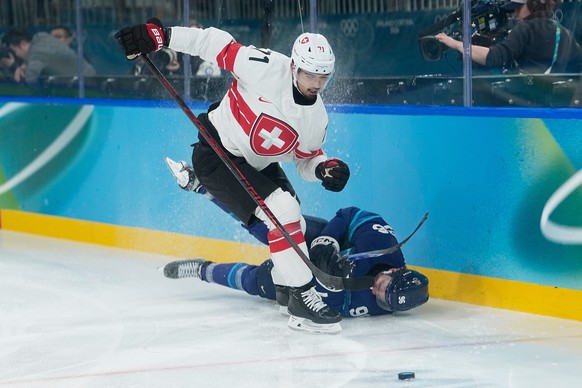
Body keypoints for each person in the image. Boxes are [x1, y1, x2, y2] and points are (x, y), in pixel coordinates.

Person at [115, 18, 350, 333]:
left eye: (323, 77)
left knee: (295, 223)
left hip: (256, 163)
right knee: (283, 210)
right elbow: (212, 43)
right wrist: (163, 36)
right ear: (294, 67)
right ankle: (302, 298)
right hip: (215, 152)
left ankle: (284, 286)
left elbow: (306, 161)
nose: (316, 84)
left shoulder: (316, 118)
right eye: (310, 75)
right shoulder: (265, 66)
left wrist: (324, 169)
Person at [161, 160, 428, 328]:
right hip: (318, 239)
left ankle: (200, 269)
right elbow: (350, 214)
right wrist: (328, 241)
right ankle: (203, 187)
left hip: (305, 283)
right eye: (382, 287)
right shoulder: (382, 243)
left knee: (255, 281)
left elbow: (333, 308)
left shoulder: (374, 307)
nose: (375, 293)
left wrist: (312, 288)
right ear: (395, 271)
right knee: (271, 225)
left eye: (383, 301)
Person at [435, 0, 582, 74]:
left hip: (524, 108)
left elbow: (494, 57)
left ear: (534, 4)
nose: (513, 13)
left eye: (517, 8)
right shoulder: (564, 33)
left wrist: (457, 44)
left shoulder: (525, 28)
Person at [2, 27, 96, 85]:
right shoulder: (41, 37)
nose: (17, 54)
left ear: (22, 44)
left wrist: (15, 68)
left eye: (15, 51)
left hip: (87, 85)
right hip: (84, 80)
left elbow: (29, 81)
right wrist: (23, 66)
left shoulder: (37, 54)